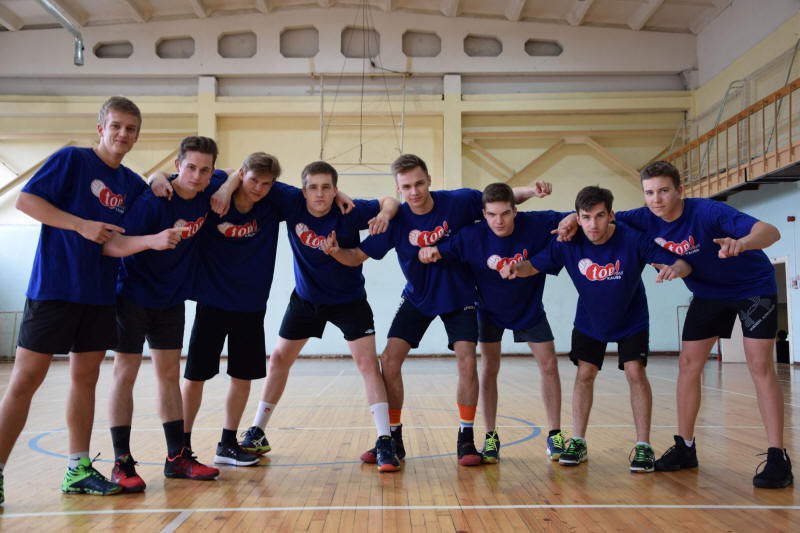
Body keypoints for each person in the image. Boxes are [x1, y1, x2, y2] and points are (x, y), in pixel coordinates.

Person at [558, 160, 791, 487]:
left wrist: (742, 243)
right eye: (649, 192)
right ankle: (685, 447)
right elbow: (597, 215)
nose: (657, 199)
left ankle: (777, 456)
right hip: (708, 294)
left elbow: (771, 231)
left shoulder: (708, 212)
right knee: (688, 364)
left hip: (752, 287)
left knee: (759, 365)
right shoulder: (642, 218)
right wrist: (570, 218)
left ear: (679, 190)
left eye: (664, 191)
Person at [322, 153, 551, 466]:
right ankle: (393, 438)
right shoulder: (395, 221)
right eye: (406, 186)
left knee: (467, 361)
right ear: (398, 188)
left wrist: (531, 191)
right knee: (389, 360)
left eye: (419, 183)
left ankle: (466, 438)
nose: (414, 191)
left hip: (459, 296)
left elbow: (502, 199)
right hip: (418, 297)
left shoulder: (459, 202)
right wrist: (335, 252)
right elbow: (356, 256)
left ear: (429, 180)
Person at [0, 97, 149, 502]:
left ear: (137, 136)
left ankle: (77, 470)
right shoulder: (72, 160)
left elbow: (145, 207)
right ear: (100, 128)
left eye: (130, 129)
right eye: (116, 126)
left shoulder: (132, 184)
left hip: (99, 294)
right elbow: (26, 200)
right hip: (54, 288)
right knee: (25, 379)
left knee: (86, 379)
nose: (122, 134)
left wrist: (159, 180)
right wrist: (80, 224)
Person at [507, 185, 690, 472]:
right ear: (577, 218)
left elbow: (675, 262)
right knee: (585, 374)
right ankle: (578, 441)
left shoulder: (633, 239)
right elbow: (533, 266)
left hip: (631, 317)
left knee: (635, 372)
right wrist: (514, 268)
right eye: (586, 217)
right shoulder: (567, 242)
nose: (593, 224)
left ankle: (643, 446)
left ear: (611, 216)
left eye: (599, 216)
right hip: (590, 319)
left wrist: (676, 268)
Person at [238, 161, 403, 472]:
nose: (320, 194)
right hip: (307, 300)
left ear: (336, 190)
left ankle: (385, 440)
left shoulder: (350, 210)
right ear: (303, 191)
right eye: (313, 187)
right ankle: (257, 431)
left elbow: (390, 200)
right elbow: (244, 176)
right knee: (278, 359)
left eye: (327, 187)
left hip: (349, 300)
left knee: (368, 364)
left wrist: (383, 214)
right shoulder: (291, 201)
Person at [103, 136, 237, 491]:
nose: (197, 175)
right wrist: (152, 240)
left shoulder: (209, 190)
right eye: (190, 167)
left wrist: (226, 189)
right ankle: (121, 462)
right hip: (132, 296)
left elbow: (237, 171)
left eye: (205, 170)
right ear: (178, 166)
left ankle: (177, 457)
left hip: (171, 300)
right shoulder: (153, 200)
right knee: (125, 374)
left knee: (168, 375)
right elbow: (112, 244)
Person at [417, 182, 568, 462]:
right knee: (489, 368)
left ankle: (555, 434)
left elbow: (575, 216)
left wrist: (570, 219)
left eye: (505, 213)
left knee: (549, 365)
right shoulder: (470, 236)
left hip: (529, 308)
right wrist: (429, 251)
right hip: (488, 311)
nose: (499, 221)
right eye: (492, 215)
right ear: (483, 214)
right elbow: (439, 250)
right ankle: (490, 436)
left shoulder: (537, 224)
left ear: (515, 211)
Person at [180, 152, 284, 468]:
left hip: (250, 306)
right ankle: (181, 446)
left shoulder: (274, 201)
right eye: (253, 180)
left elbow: (315, 191)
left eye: (266, 183)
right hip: (211, 301)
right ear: (242, 174)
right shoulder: (215, 191)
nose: (259, 188)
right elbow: (171, 180)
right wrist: (226, 186)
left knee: (242, 376)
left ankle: (227, 444)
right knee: (195, 376)